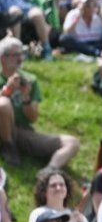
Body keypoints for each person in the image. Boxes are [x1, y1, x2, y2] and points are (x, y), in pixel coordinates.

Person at [0, 37, 81, 168]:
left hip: (22, 132)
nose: (20, 59)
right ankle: (7, 148)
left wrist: (25, 96)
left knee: (72, 143)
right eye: (16, 55)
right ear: (3, 58)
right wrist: (7, 91)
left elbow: (32, 119)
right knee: (3, 103)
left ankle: (49, 172)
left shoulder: (29, 80)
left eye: (22, 54)